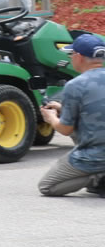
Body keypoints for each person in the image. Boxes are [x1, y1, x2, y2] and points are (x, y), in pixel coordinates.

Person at [37, 33, 105, 196]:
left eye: (70, 54)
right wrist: (63, 108)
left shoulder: (75, 85)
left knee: (47, 186)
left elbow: (66, 129)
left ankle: (98, 176)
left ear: (78, 57)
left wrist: (51, 118)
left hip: (95, 156)